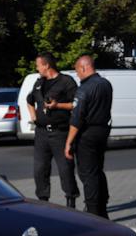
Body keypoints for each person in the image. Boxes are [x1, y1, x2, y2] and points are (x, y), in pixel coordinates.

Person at [25, 52, 80, 208]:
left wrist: (58, 105)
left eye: (38, 65)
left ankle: (71, 200)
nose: (37, 68)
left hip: (60, 132)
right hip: (41, 133)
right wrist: (33, 116)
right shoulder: (39, 83)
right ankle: (43, 202)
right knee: (40, 169)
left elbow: (76, 104)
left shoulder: (66, 82)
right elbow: (29, 100)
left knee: (65, 168)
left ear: (46, 65)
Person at [64, 55, 113, 218]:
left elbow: (77, 118)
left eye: (77, 71)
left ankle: (93, 211)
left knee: (87, 174)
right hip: (102, 131)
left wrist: (68, 142)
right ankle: (102, 207)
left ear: (84, 68)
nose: (77, 75)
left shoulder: (84, 88)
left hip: (87, 134)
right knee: (98, 170)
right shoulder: (106, 84)